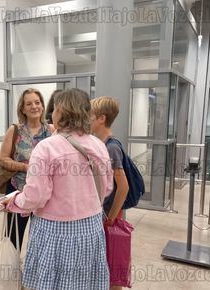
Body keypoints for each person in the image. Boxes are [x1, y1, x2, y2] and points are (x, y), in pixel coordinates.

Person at [3, 88, 113, 290]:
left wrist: (16, 201)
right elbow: (107, 188)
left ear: (61, 112)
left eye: (53, 108)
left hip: (55, 231)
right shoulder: (98, 145)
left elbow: (36, 196)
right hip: (91, 228)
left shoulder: (46, 148)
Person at [0, 88, 54, 250]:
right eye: (29, 104)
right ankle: (13, 269)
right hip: (18, 191)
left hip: (44, 196)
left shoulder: (51, 131)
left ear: (43, 106)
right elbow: (3, 159)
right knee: (13, 237)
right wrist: (26, 167)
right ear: (22, 108)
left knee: (41, 239)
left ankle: (35, 271)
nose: (34, 106)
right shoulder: (15, 130)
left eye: (37, 102)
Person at [91, 96, 129, 290]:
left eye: (90, 115)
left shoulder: (111, 147)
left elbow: (123, 186)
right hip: (104, 213)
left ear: (101, 119)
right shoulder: (100, 144)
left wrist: (112, 217)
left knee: (111, 262)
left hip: (109, 215)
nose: (87, 119)